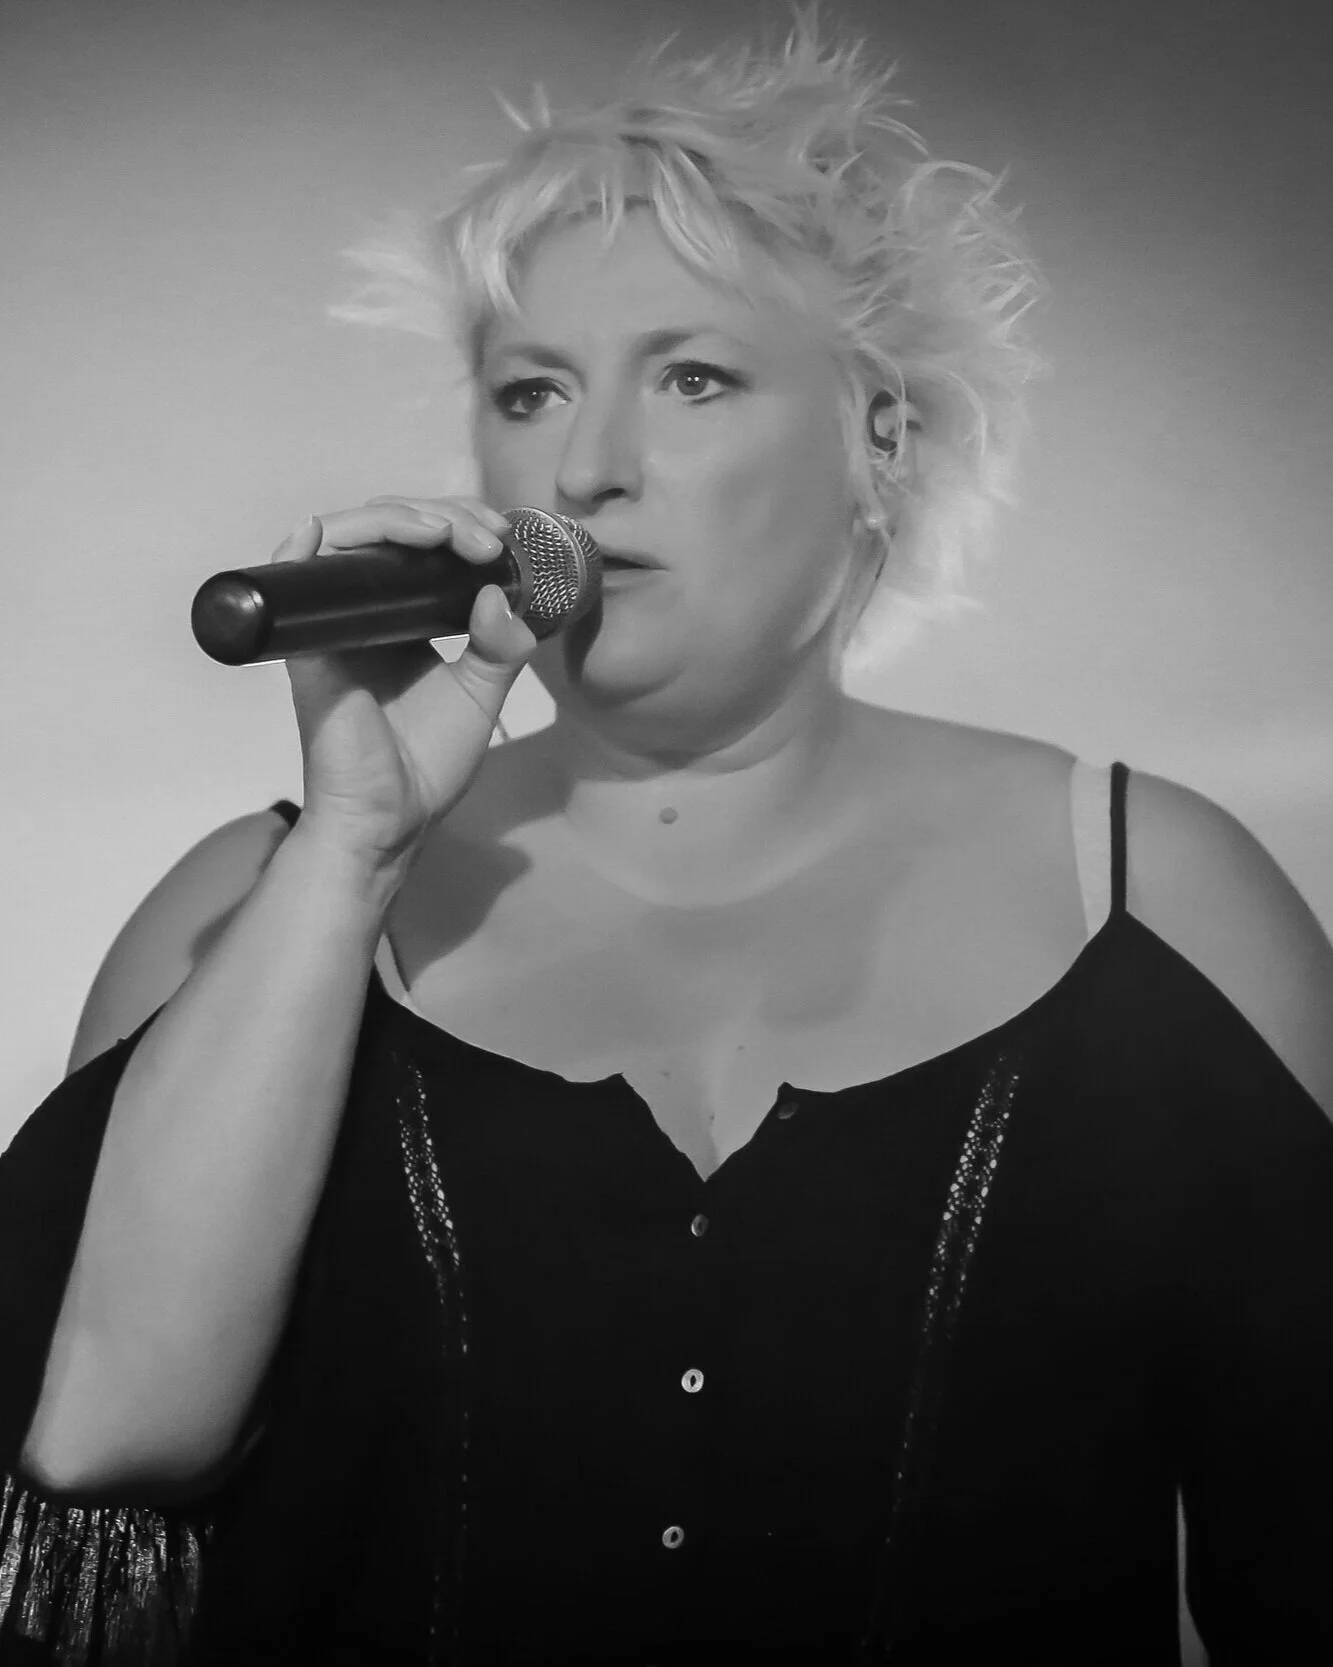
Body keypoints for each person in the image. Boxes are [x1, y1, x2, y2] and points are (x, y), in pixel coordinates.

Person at [3, 7, 1332, 1663]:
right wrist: (349, 854)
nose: (588, 465)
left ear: (879, 437)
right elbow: (105, 1453)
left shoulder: (1162, 901)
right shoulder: (250, 905)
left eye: (692, 377)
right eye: (531, 389)